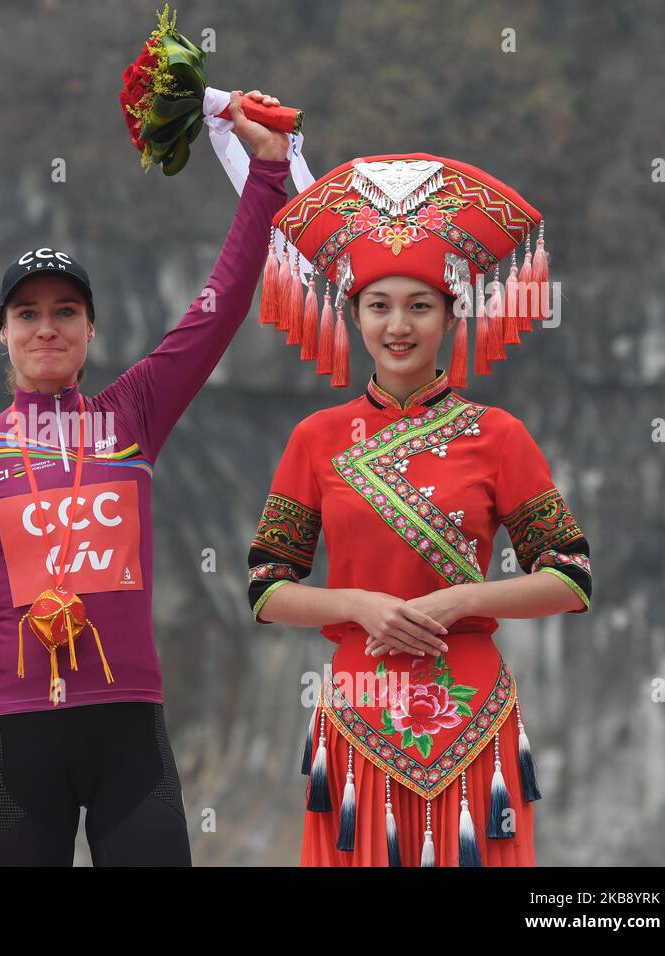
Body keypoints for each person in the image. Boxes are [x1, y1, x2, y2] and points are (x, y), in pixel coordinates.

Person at [0, 90, 292, 865]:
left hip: (129, 731)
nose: (46, 327)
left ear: (92, 330)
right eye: (26, 315)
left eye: (65, 311)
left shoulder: (130, 418)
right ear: (2, 334)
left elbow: (219, 307)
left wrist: (266, 170)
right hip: (15, 739)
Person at [246, 153, 592, 865]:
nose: (397, 326)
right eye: (379, 306)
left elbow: (571, 577)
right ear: (355, 317)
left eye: (419, 306)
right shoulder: (314, 439)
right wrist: (360, 606)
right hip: (357, 710)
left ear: (450, 315)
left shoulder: (499, 435)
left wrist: (462, 598)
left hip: (471, 712)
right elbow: (266, 588)